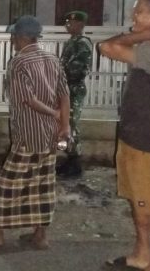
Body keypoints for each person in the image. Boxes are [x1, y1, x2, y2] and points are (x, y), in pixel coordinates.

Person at [0, 15, 69, 250]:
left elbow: (27, 99)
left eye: (14, 35)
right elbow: (64, 95)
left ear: (23, 37)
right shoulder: (53, 59)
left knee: (9, 182)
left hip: (28, 133)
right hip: (50, 135)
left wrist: (53, 113)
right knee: (43, 183)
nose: (12, 39)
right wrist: (64, 125)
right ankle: (40, 235)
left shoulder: (18, 62)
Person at [99, 0, 150, 271]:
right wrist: (144, 34)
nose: (134, 15)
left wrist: (143, 35)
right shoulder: (149, 45)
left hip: (147, 139)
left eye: (140, 11)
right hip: (133, 136)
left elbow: (106, 47)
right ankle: (142, 254)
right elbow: (108, 46)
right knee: (139, 200)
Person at [56, 10, 92, 178]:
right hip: (66, 89)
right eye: (67, 23)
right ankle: (70, 159)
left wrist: (62, 76)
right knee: (65, 124)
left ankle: (75, 163)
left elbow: (77, 68)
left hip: (74, 89)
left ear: (81, 24)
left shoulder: (82, 43)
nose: (68, 25)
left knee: (71, 125)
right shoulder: (72, 41)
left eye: (71, 23)